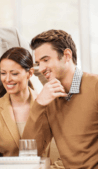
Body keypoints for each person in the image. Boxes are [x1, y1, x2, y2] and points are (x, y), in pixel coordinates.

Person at [22, 29, 98, 169]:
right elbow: (28, 154)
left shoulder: (95, 86)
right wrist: (38, 104)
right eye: (38, 63)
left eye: (46, 60)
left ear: (67, 55)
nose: (42, 68)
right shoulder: (48, 99)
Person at [0, 47, 37, 156]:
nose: (7, 79)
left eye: (14, 73)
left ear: (30, 73)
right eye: (3, 73)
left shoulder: (48, 105)